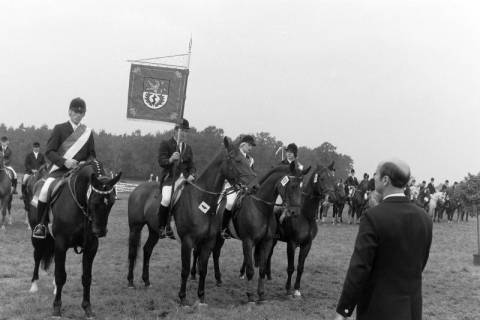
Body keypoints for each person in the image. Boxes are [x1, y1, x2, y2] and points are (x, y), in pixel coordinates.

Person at [334, 159, 433, 320]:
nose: (374, 177)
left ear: (385, 180)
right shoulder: (425, 218)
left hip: (378, 308)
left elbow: (360, 267)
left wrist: (344, 310)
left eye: (376, 174)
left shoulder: (373, 217)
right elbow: (421, 262)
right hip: (412, 308)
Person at [32, 98, 96, 239]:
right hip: (60, 170)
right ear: (69, 112)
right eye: (75, 112)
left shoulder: (88, 132)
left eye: (81, 112)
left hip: (80, 172)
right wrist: (64, 162)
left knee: (96, 194)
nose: (78, 115)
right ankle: (41, 225)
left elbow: (92, 155)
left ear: (84, 114)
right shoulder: (59, 128)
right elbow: (50, 151)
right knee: (44, 190)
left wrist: (84, 163)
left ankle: (94, 224)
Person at [157, 119, 196, 239]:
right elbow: (161, 161)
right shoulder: (166, 144)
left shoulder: (187, 148)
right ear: (175, 131)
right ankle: (162, 227)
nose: (184, 133)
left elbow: (192, 166)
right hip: (170, 179)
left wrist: (192, 175)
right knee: (167, 199)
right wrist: (170, 160)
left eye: (185, 131)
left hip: (185, 180)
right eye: (182, 130)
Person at [221, 134, 257, 239]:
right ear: (243, 145)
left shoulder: (251, 160)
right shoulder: (235, 155)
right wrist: (237, 184)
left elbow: (252, 174)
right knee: (230, 203)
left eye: (252, 146)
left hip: (246, 188)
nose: (251, 148)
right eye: (249, 146)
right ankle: (224, 228)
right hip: (232, 186)